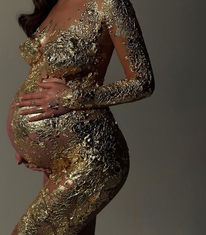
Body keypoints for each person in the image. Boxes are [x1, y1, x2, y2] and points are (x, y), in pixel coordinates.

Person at [6, 0, 155, 234]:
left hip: (91, 154)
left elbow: (142, 82)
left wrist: (71, 98)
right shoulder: (56, 2)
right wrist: (30, 141)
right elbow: (42, 74)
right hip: (61, 157)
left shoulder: (110, 3)